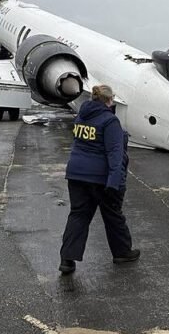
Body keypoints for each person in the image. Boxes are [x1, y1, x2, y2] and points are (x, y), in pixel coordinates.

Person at [58, 84, 139, 275]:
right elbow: (115, 154)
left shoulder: (81, 117)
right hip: (100, 178)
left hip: (76, 174)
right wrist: (114, 182)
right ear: (109, 101)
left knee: (78, 215)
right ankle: (122, 252)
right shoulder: (110, 121)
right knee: (113, 214)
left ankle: (67, 260)